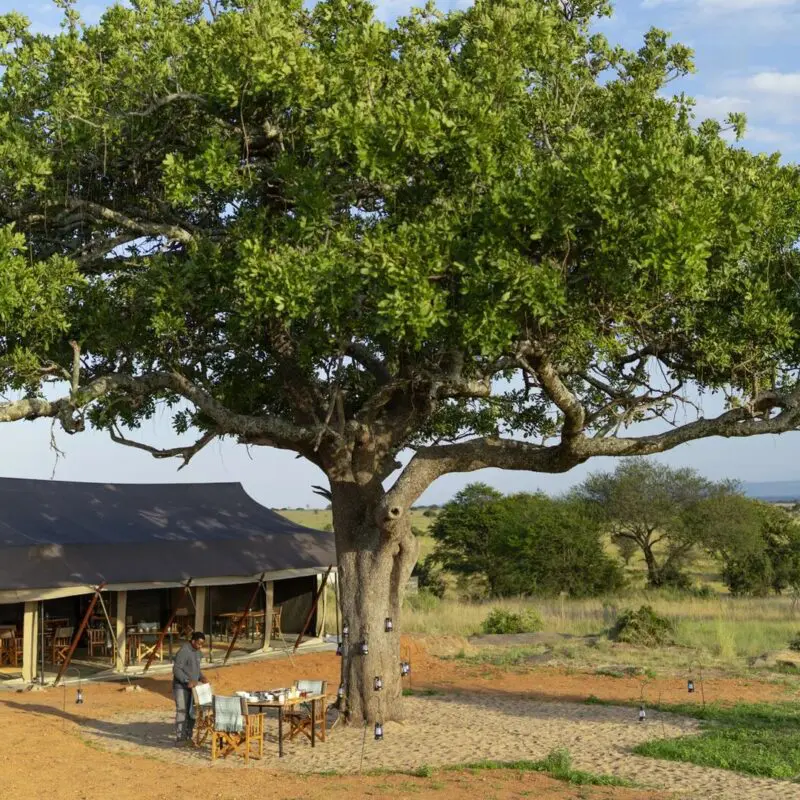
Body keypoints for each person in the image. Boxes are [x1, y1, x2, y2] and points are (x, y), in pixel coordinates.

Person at [172, 631, 208, 745]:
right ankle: (180, 738)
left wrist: (201, 677)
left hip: (194, 688)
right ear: (193, 641)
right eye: (199, 643)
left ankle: (188, 736)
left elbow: (196, 669)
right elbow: (176, 669)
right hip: (181, 687)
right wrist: (187, 680)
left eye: (202, 644)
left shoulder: (197, 653)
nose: (200, 646)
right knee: (182, 711)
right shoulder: (184, 651)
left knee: (192, 712)